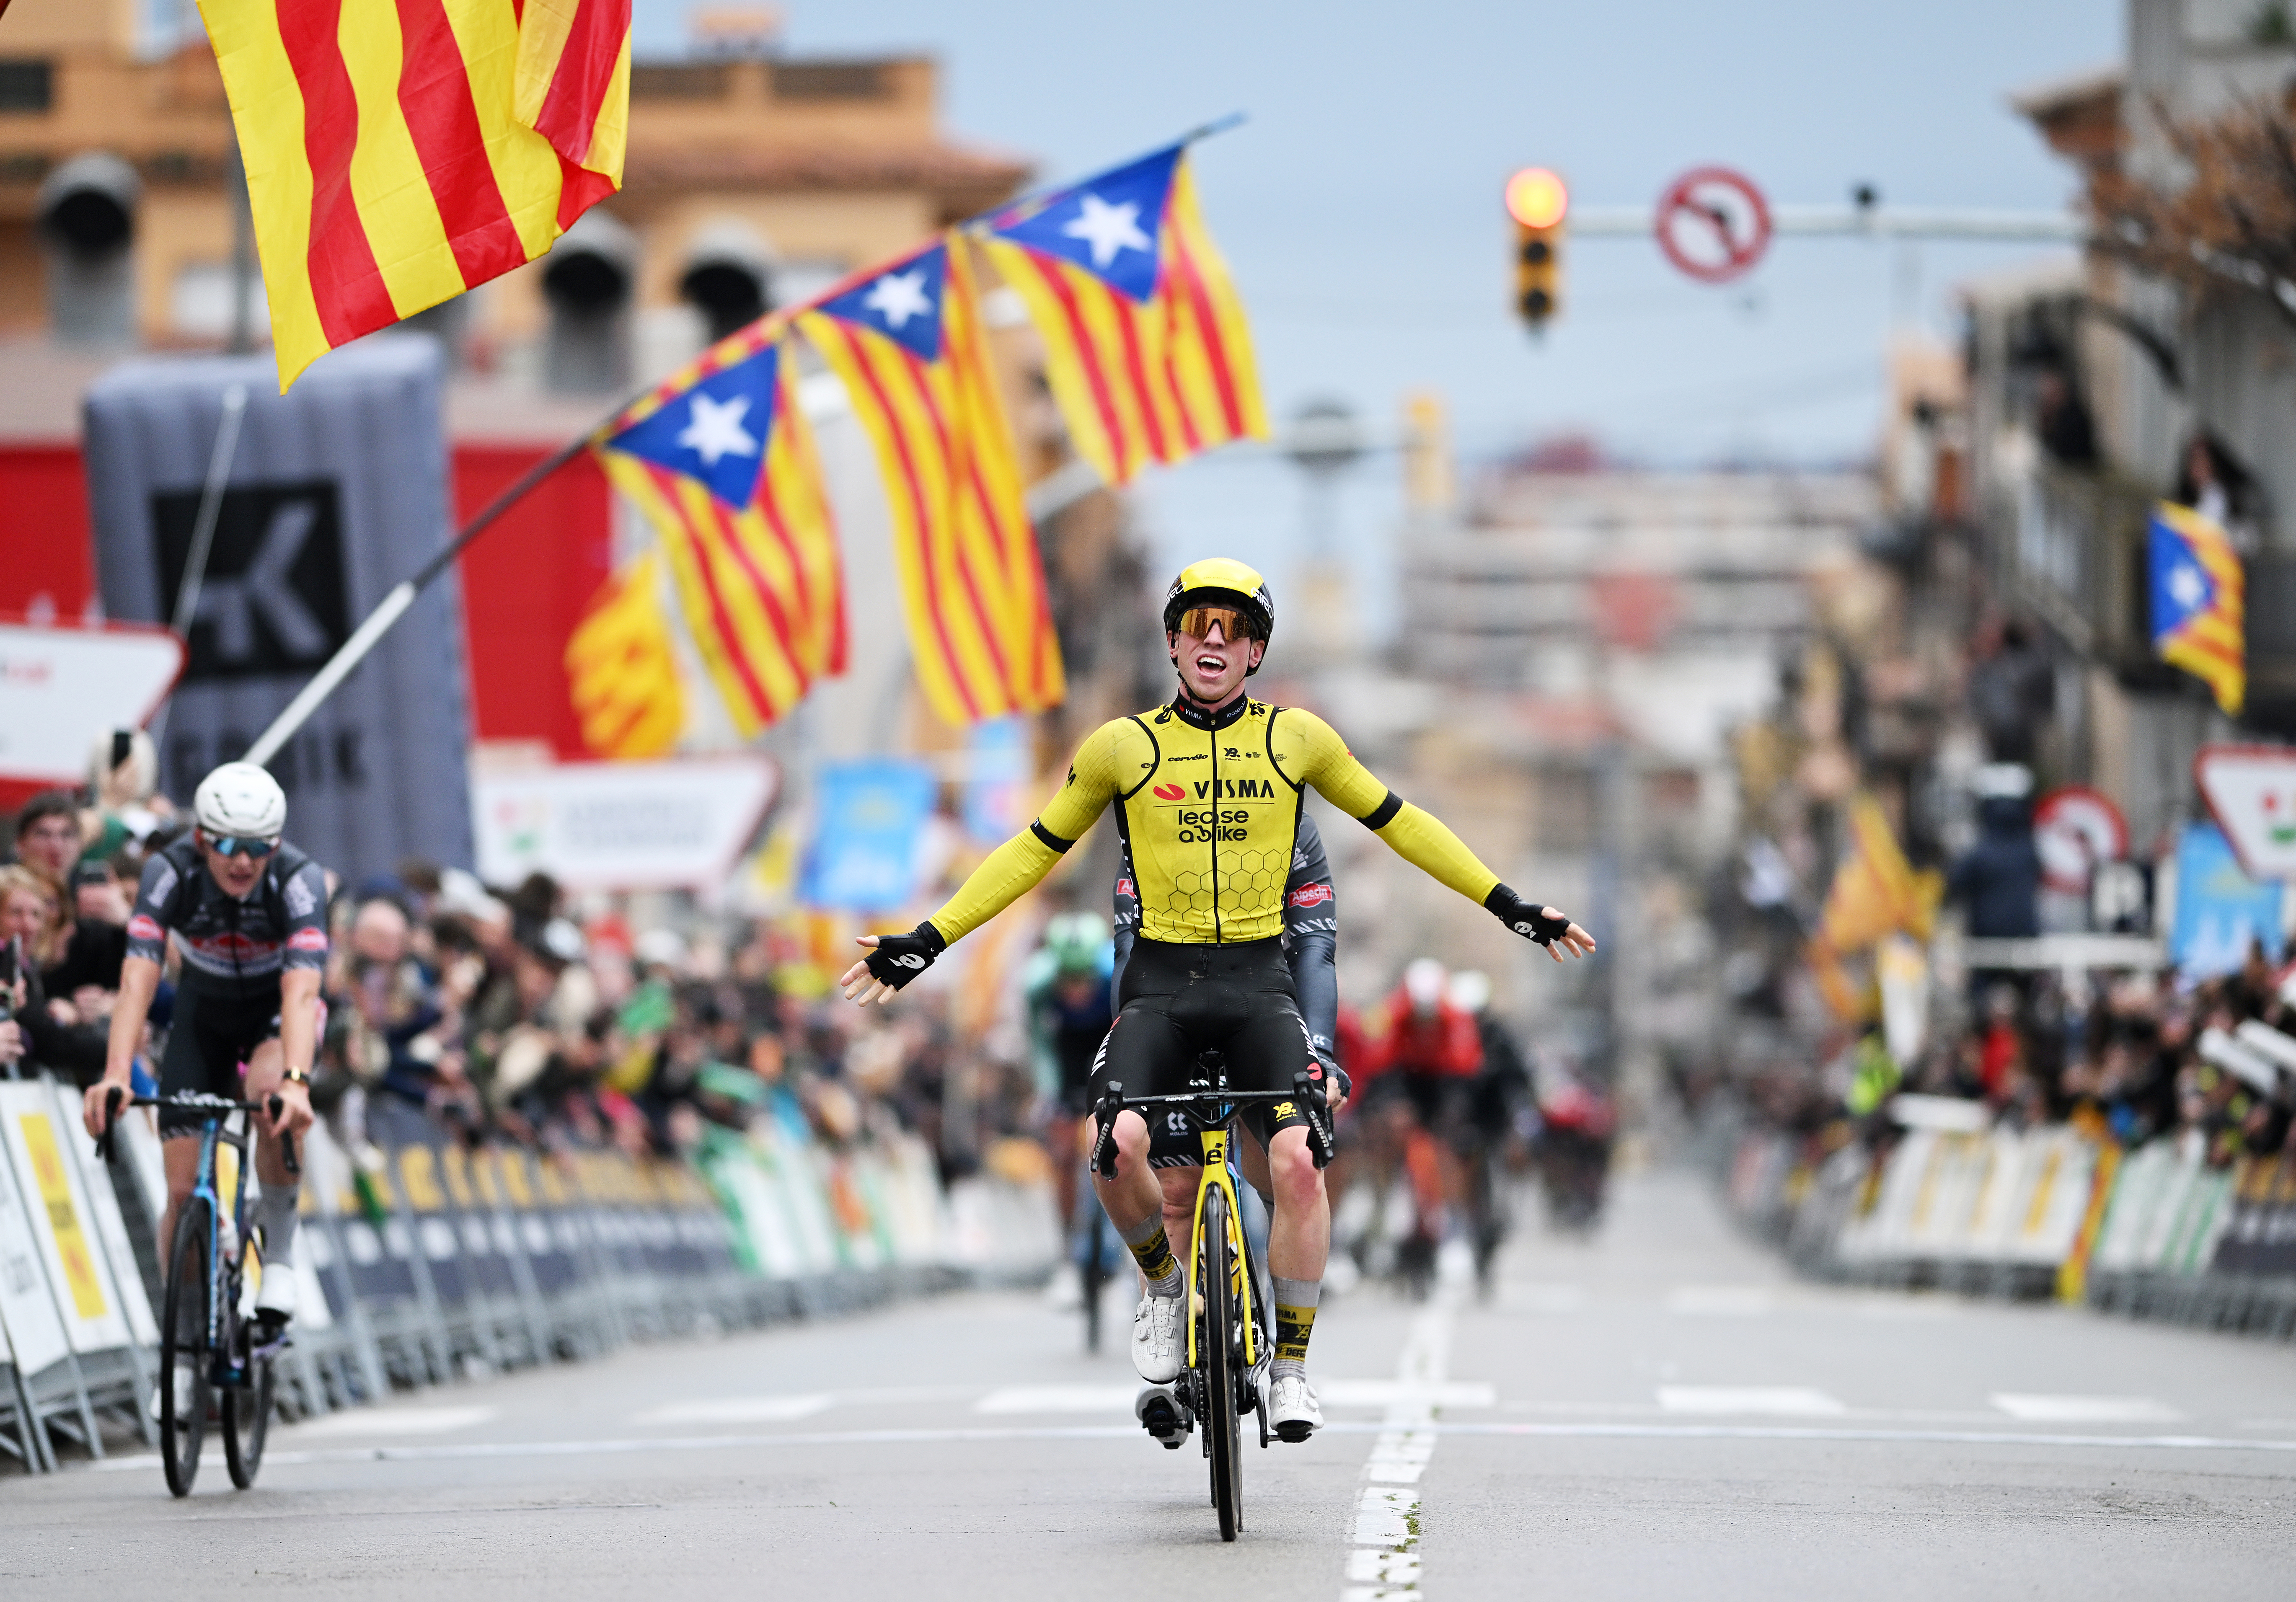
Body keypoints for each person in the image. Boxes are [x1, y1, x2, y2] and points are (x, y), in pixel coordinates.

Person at [842, 558, 1595, 1441]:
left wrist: (1509, 906)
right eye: (1196, 621)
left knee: (1298, 1161)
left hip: (1258, 985)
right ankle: (1163, 1285)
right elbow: (1032, 850)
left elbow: (1403, 823)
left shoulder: (1297, 739)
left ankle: (1293, 1365)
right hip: (1158, 986)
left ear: (1256, 650)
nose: (1211, 638)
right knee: (1116, 1150)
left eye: (1232, 627)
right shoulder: (1121, 747)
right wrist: (926, 941)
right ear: (1170, 639)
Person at [78, 762, 324, 1416]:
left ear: (276, 844)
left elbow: (302, 992)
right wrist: (113, 1073)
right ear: (201, 838)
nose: (242, 862)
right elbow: (137, 979)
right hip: (204, 1018)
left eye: (258, 847)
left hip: (275, 1018)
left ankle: (280, 1260)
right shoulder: (170, 872)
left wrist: (298, 1084)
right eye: (226, 845)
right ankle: (183, 1354)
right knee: (183, 1191)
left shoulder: (298, 881)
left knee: (275, 1099)